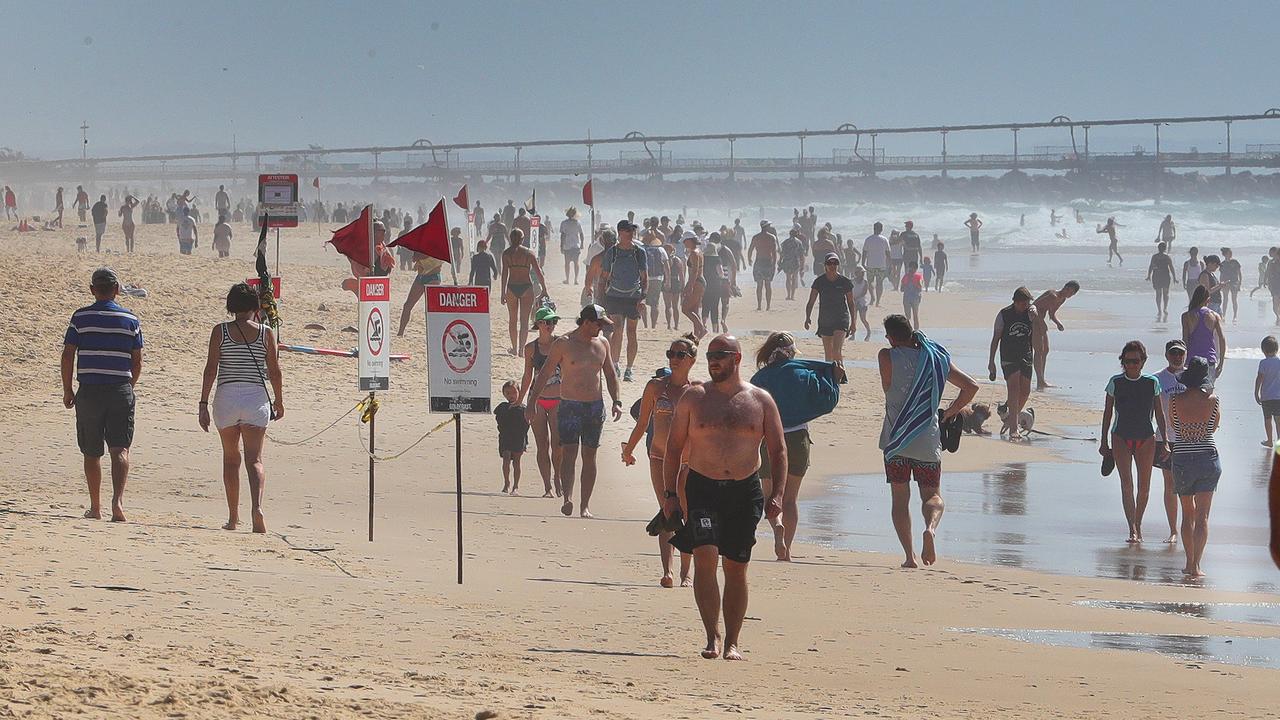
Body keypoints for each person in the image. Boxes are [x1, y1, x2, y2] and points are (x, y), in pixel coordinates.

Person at [663, 334, 785, 661]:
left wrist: (778, 495)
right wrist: (671, 495)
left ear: (737, 358)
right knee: (704, 556)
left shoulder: (760, 400)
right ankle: (712, 636)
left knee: (736, 566)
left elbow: (777, 449)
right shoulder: (694, 399)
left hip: (745, 491)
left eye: (721, 354)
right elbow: (673, 449)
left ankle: (733, 641)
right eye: (710, 355)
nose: (713, 360)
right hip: (701, 487)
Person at [879, 314, 980, 568]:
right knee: (932, 496)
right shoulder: (935, 360)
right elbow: (971, 387)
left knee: (900, 499)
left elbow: (887, 385)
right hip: (927, 439)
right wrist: (950, 411)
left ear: (891, 337)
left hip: (897, 439)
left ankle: (909, 556)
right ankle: (930, 529)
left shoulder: (886, 356)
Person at [198, 283, 284, 533]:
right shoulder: (266, 332)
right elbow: (275, 371)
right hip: (255, 397)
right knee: (255, 459)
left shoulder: (220, 331)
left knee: (230, 459)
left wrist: (203, 403)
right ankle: (257, 508)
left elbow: (211, 369)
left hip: (226, 397)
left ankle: (233, 517)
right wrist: (279, 400)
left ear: (231, 306)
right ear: (254, 307)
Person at [751, 332, 844, 561]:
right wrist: (835, 380)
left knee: (769, 495)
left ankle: (777, 527)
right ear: (791, 352)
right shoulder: (805, 373)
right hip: (798, 438)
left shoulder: (761, 378)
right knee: (790, 499)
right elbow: (828, 401)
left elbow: (750, 408)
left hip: (769, 439)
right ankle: (787, 550)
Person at [526, 304, 623, 519]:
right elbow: (544, 373)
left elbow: (610, 374)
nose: (601, 329)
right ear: (587, 322)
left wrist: (617, 400)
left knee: (590, 455)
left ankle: (585, 506)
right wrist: (532, 401)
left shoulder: (603, 344)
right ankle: (568, 498)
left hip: (594, 406)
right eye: (599, 324)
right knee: (569, 452)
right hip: (569, 405)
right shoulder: (564, 344)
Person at [62, 268, 144, 523]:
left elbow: (68, 354)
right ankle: (117, 503)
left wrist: (68, 389)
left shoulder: (81, 317)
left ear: (92, 290)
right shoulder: (130, 319)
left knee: (91, 450)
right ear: (117, 290)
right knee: (120, 448)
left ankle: (95, 506)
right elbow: (137, 361)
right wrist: (129, 385)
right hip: (120, 388)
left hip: (89, 389)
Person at [623, 335, 700, 587]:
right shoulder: (656, 387)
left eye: (680, 355)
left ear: (692, 360)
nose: (674, 359)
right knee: (668, 509)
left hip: (688, 462)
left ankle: (686, 573)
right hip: (658, 457)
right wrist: (629, 450)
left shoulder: (697, 391)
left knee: (687, 514)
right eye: (671, 354)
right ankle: (667, 570)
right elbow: (643, 423)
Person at [1099, 340, 1168, 544]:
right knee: (1126, 484)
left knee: (1144, 487)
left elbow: (1159, 413)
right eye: (1128, 361)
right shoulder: (1115, 382)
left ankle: (1138, 523)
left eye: (1135, 361)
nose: (1131, 365)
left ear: (1143, 361)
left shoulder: (1152, 383)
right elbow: (1107, 413)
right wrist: (1104, 442)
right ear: (1123, 361)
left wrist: (1164, 441)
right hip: (1120, 437)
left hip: (1146, 437)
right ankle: (1132, 529)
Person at [1168, 356, 1219, 577]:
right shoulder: (1214, 400)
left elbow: (1173, 425)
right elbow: (1214, 427)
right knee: (1203, 516)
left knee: (1188, 514)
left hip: (1182, 457)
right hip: (1207, 456)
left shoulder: (1174, 400)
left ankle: (1189, 563)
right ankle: (1196, 566)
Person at [521, 308, 563, 498]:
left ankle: (558, 478)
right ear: (538, 324)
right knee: (542, 445)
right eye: (546, 322)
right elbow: (527, 376)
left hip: (558, 400)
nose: (550, 325)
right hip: (537, 400)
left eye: (553, 321)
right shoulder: (531, 348)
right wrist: (521, 400)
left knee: (558, 444)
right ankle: (547, 487)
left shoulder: (561, 344)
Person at [601, 219, 648, 381]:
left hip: (633, 296)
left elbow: (644, 277)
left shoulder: (639, 252)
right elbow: (604, 276)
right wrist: (601, 299)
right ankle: (615, 364)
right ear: (620, 232)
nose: (631, 234)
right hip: (614, 295)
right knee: (618, 329)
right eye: (628, 231)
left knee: (632, 332)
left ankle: (629, 368)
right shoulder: (612, 253)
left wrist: (643, 298)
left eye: (632, 231)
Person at [988, 288, 1037, 440]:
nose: (1026, 305)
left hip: (1026, 355)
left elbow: (1039, 327)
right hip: (1009, 355)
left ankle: (1010, 418)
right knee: (1014, 389)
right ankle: (1013, 428)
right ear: (1015, 301)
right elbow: (996, 338)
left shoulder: (1030, 312)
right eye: (1023, 303)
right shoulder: (1004, 314)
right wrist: (991, 362)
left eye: (1028, 302)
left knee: (1025, 391)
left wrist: (1035, 313)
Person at [1154, 340, 1187, 544]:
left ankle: (1188, 527)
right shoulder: (1157, 378)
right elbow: (1151, 409)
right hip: (1165, 438)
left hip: (1188, 439)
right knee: (1170, 485)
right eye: (1173, 353)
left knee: (1188, 486)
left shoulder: (1193, 376)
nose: (1177, 357)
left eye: (1180, 353)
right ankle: (1173, 529)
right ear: (1167, 355)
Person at [805, 253, 857, 365]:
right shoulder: (819, 281)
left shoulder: (845, 281)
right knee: (828, 353)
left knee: (836, 350)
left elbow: (851, 303)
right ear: (825, 265)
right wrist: (807, 317)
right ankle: (829, 377)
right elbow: (811, 301)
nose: (832, 265)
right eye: (830, 263)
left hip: (841, 318)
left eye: (835, 263)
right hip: (825, 319)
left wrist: (853, 322)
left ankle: (839, 376)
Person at [1031, 281, 1080, 390]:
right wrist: (1041, 322)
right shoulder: (1052, 295)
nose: (1069, 295)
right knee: (1039, 350)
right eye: (1069, 291)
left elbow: (1051, 314)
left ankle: (1042, 379)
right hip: (1032, 320)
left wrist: (1058, 323)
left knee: (1045, 350)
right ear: (1065, 287)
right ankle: (1040, 381)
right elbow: (1033, 307)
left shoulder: (1062, 300)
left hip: (1040, 320)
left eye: (1072, 294)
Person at [1181, 285, 1227, 382]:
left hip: (1192, 359)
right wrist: (1221, 363)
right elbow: (1222, 339)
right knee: (1207, 392)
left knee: (1192, 391)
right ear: (1208, 300)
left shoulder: (1187, 316)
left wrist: (1182, 360)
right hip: (1209, 358)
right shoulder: (1214, 315)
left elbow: (1185, 340)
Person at [396, 250, 445, 337]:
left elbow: (423, 255)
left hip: (433, 277)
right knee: (407, 305)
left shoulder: (436, 244)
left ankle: (435, 334)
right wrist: (417, 254)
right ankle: (400, 333)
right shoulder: (421, 245)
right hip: (421, 276)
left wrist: (419, 254)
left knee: (432, 309)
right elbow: (415, 258)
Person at [494, 381, 529, 495]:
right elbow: (499, 421)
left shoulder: (523, 408)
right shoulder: (502, 407)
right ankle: (506, 483)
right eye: (508, 393)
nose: (511, 395)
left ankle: (516, 486)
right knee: (506, 458)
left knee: (517, 462)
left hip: (519, 437)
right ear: (504, 394)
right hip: (505, 437)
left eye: (514, 392)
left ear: (519, 392)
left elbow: (527, 424)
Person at [680, 232, 707, 339]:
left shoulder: (694, 253)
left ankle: (702, 329)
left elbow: (695, 271)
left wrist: (689, 286)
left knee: (685, 309)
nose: (684, 243)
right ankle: (697, 335)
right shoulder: (698, 251)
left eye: (685, 241)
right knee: (695, 310)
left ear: (690, 240)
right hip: (699, 281)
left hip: (696, 282)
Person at [642, 233, 670, 330]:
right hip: (657, 278)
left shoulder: (642, 249)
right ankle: (653, 326)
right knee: (655, 303)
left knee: (643, 301)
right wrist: (668, 280)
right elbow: (666, 266)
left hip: (644, 278)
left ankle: (645, 325)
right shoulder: (661, 250)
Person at [1256, 336, 1280, 447]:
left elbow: (1259, 378)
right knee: (1278, 419)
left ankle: (1270, 440)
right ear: (1277, 349)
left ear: (1263, 350)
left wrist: (1256, 392)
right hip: (1278, 396)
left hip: (1266, 397)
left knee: (1267, 418)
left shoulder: (1263, 363)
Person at [1146, 242, 1177, 322]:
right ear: (1165, 248)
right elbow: (1171, 267)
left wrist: (1149, 275)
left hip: (1159, 276)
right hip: (1162, 276)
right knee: (1164, 293)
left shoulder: (1163, 257)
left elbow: (1151, 266)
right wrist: (1174, 277)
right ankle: (1162, 309)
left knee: (1160, 293)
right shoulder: (1161, 257)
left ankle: (1162, 309)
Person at [862, 222, 890, 306]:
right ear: (881, 229)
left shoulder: (868, 239)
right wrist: (890, 264)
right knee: (879, 283)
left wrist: (863, 263)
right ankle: (877, 301)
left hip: (870, 264)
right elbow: (888, 253)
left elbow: (864, 252)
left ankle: (872, 297)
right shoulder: (884, 239)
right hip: (881, 265)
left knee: (870, 282)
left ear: (873, 228)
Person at [663, 238, 685, 331]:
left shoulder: (664, 260)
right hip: (675, 282)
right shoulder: (677, 260)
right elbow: (682, 274)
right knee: (674, 306)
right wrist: (682, 286)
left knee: (668, 306)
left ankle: (669, 325)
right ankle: (675, 325)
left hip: (667, 282)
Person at [560, 207, 585, 284]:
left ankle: (567, 279)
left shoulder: (564, 223)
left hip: (567, 246)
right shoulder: (578, 223)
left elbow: (562, 235)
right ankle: (576, 280)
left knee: (567, 263)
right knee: (576, 263)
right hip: (576, 245)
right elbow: (581, 234)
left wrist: (561, 246)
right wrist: (582, 244)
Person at [779, 227, 804, 301]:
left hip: (787, 261)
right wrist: (802, 264)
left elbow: (782, 253)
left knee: (788, 278)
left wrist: (780, 261)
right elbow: (801, 255)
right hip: (795, 262)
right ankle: (792, 296)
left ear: (789, 234)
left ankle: (788, 295)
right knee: (794, 278)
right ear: (796, 234)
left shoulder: (785, 242)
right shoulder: (799, 242)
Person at [1219, 247, 1242, 323]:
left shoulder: (1235, 262)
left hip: (1234, 282)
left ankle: (1235, 316)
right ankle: (1224, 315)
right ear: (1225, 254)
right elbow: (1221, 275)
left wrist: (1240, 283)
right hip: (1225, 283)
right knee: (1225, 299)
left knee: (1234, 300)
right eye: (1229, 252)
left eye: (1231, 252)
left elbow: (1239, 273)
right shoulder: (1222, 264)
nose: (1231, 253)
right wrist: (1221, 284)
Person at [901, 261, 924, 329]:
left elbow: (920, 286)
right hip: (907, 297)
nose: (911, 270)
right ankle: (910, 329)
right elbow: (902, 289)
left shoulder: (918, 276)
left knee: (915, 315)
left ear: (916, 269)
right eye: (910, 268)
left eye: (913, 268)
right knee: (908, 316)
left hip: (915, 297)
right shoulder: (906, 276)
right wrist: (905, 284)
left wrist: (915, 283)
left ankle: (916, 330)